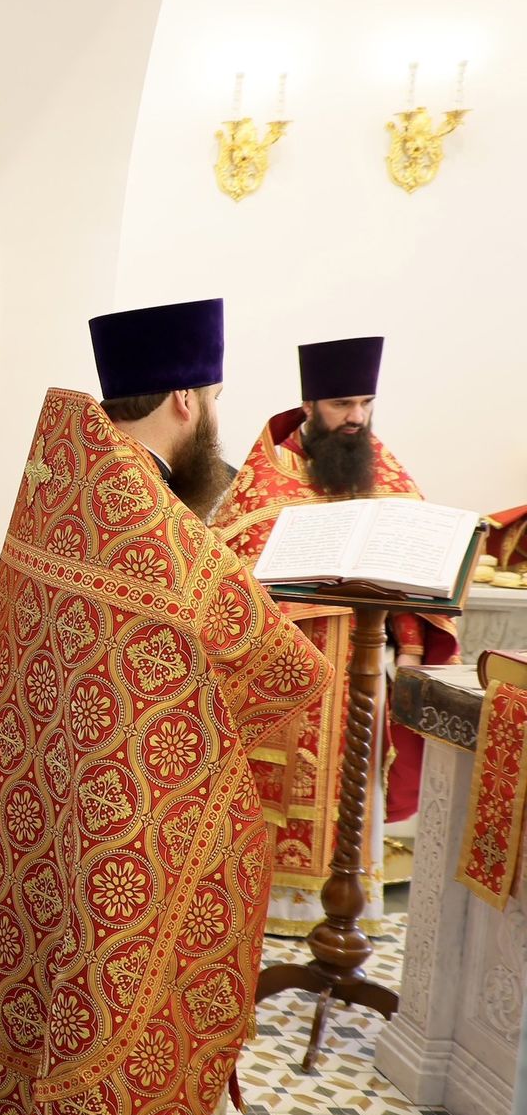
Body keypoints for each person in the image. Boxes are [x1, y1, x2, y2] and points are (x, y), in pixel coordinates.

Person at [0, 299, 330, 1115]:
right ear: (184, 396)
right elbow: (290, 668)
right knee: (142, 932)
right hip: (116, 802)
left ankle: (14, 1093)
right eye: (210, 395)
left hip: (65, 785)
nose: (213, 413)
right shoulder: (150, 523)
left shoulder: (66, 486)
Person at [210, 336, 457, 935]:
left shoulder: (381, 467)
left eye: (366, 404)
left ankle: (348, 908)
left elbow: (415, 561)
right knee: (284, 789)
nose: (356, 418)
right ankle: (267, 914)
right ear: (312, 403)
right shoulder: (271, 473)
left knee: (355, 787)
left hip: (363, 666)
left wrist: (412, 653)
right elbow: (231, 564)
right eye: (343, 404)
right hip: (292, 667)